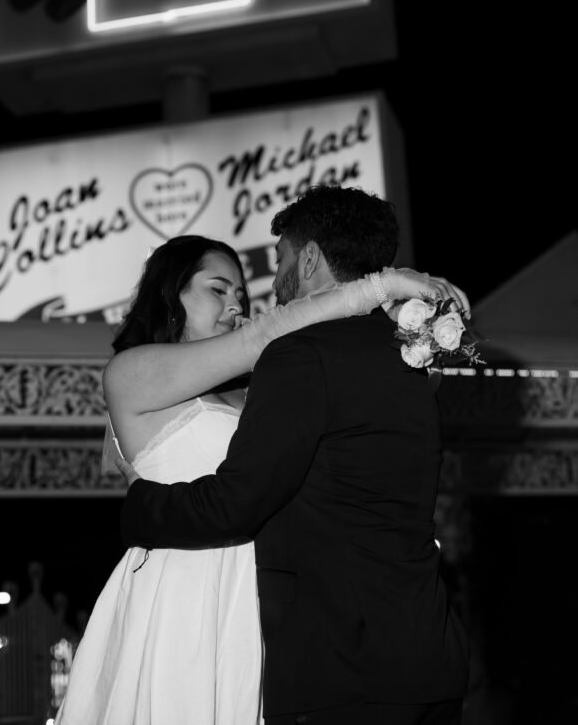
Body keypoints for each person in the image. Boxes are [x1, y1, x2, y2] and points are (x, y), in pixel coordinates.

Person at [55, 222, 468, 725]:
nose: (237, 305)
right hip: (187, 591)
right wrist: (383, 285)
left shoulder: (261, 387)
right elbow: (269, 332)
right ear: (170, 296)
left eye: (241, 293)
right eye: (217, 289)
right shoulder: (131, 372)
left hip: (262, 603)